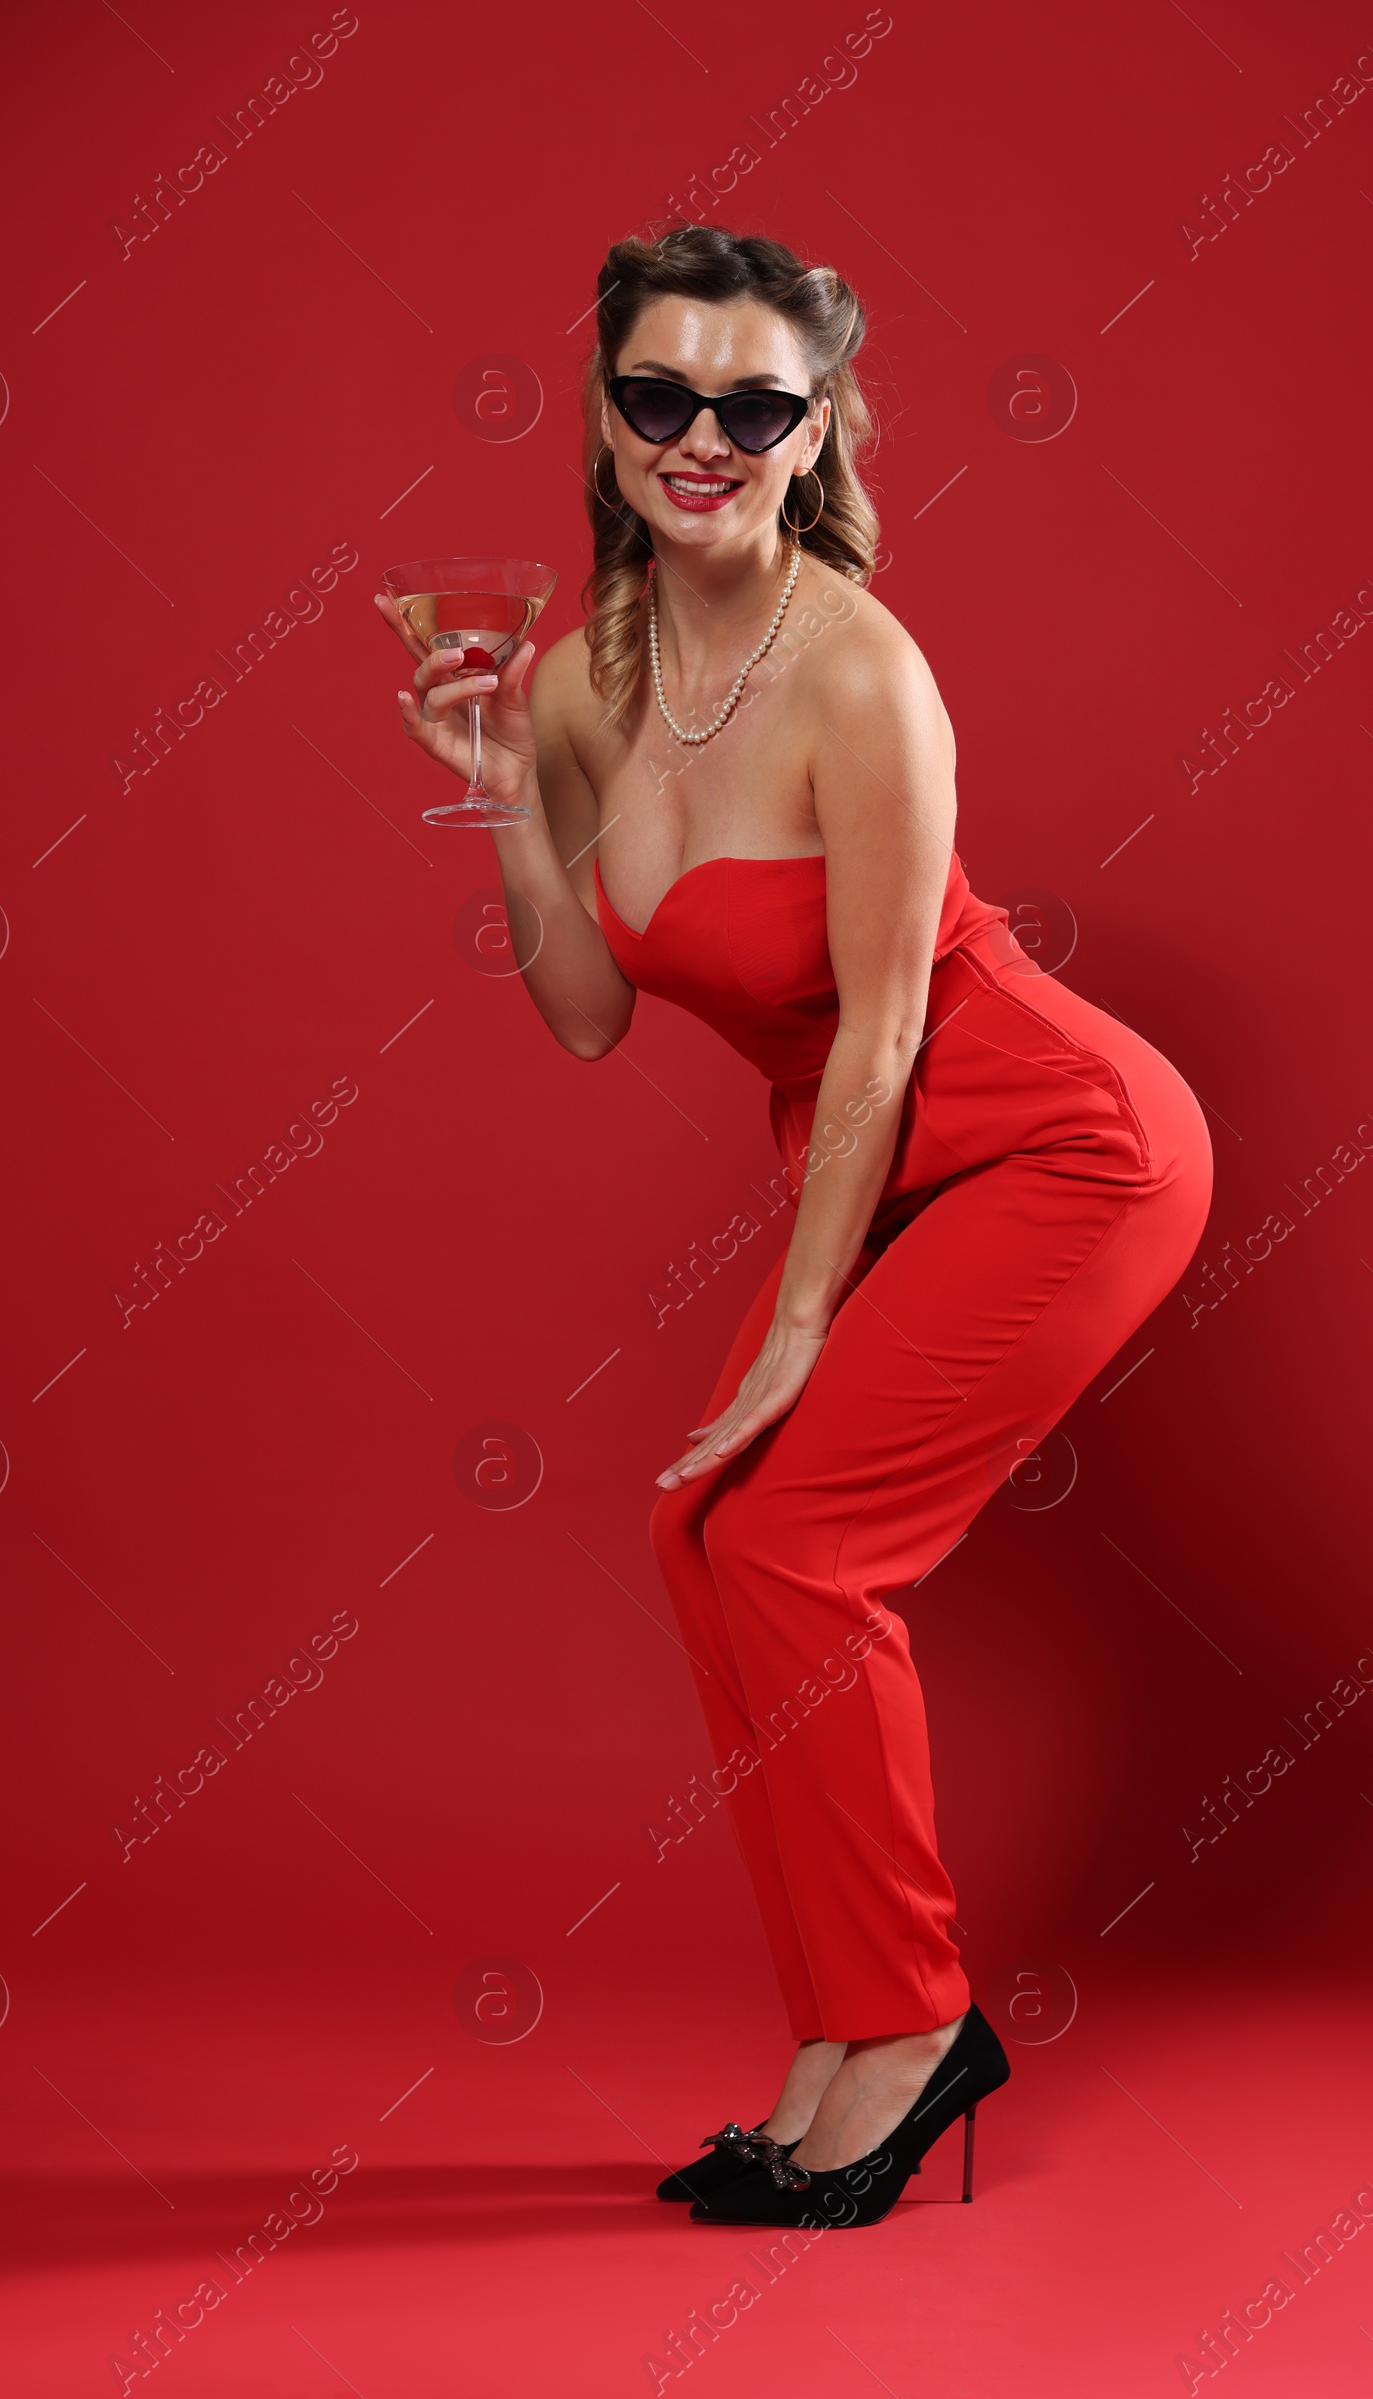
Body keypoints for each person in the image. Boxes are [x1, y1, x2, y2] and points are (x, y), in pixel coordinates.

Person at [375, 223, 1213, 2230]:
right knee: (709, 1537)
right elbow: (587, 1017)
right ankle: (852, 2038)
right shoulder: (583, 676)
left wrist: (796, 1326)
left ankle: (910, 2036)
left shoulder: (860, 674)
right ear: (599, 408)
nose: (700, 438)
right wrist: (506, 793)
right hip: (893, 1157)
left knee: (801, 1543)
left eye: (752, 405)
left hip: (1054, 1145)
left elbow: (888, 1030)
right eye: (657, 393)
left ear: (812, 426)